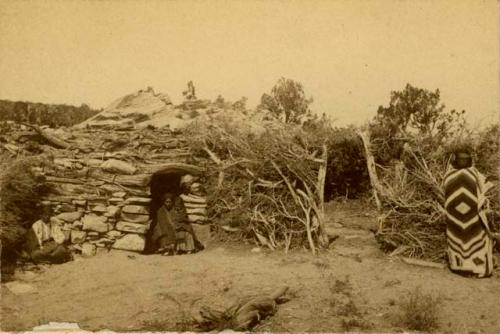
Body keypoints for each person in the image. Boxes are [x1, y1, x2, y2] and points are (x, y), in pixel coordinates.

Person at [443, 148, 495, 278]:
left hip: (473, 216)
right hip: (454, 216)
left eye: (466, 159)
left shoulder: (474, 173)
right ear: (456, 159)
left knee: (476, 239)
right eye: (461, 159)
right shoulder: (450, 175)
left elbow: (483, 190)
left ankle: (476, 268)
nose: (463, 161)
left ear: (470, 160)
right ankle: (462, 268)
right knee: (459, 240)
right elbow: (446, 193)